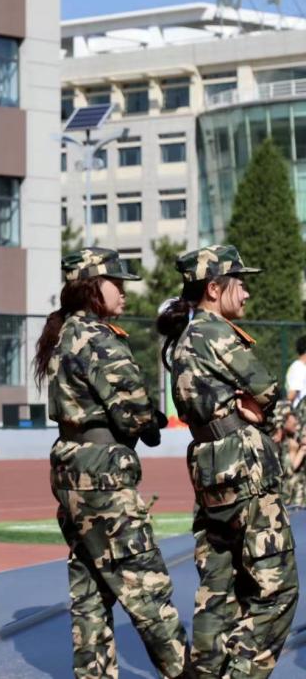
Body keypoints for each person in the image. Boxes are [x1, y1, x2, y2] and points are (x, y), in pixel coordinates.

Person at [33, 247, 191, 679]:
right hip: (102, 472)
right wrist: (152, 420)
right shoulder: (97, 337)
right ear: (91, 287)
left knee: (91, 588)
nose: (122, 292)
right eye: (115, 283)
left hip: (72, 468)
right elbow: (133, 410)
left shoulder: (66, 332)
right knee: (145, 583)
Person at [158, 244, 298, 678]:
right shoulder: (215, 333)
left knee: (219, 587)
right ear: (215, 288)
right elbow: (268, 389)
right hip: (244, 468)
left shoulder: (185, 335)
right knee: (277, 589)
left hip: (211, 469)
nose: (247, 293)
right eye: (240, 283)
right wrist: (253, 408)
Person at [273, 401, 306, 509]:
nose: (294, 421)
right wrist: (301, 452)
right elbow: (288, 471)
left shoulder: (294, 437)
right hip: (292, 498)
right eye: (288, 418)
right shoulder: (280, 443)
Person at [284, 335, 306, 408]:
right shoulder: (299, 368)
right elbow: (291, 395)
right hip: (299, 415)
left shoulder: (300, 367)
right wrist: (287, 414)